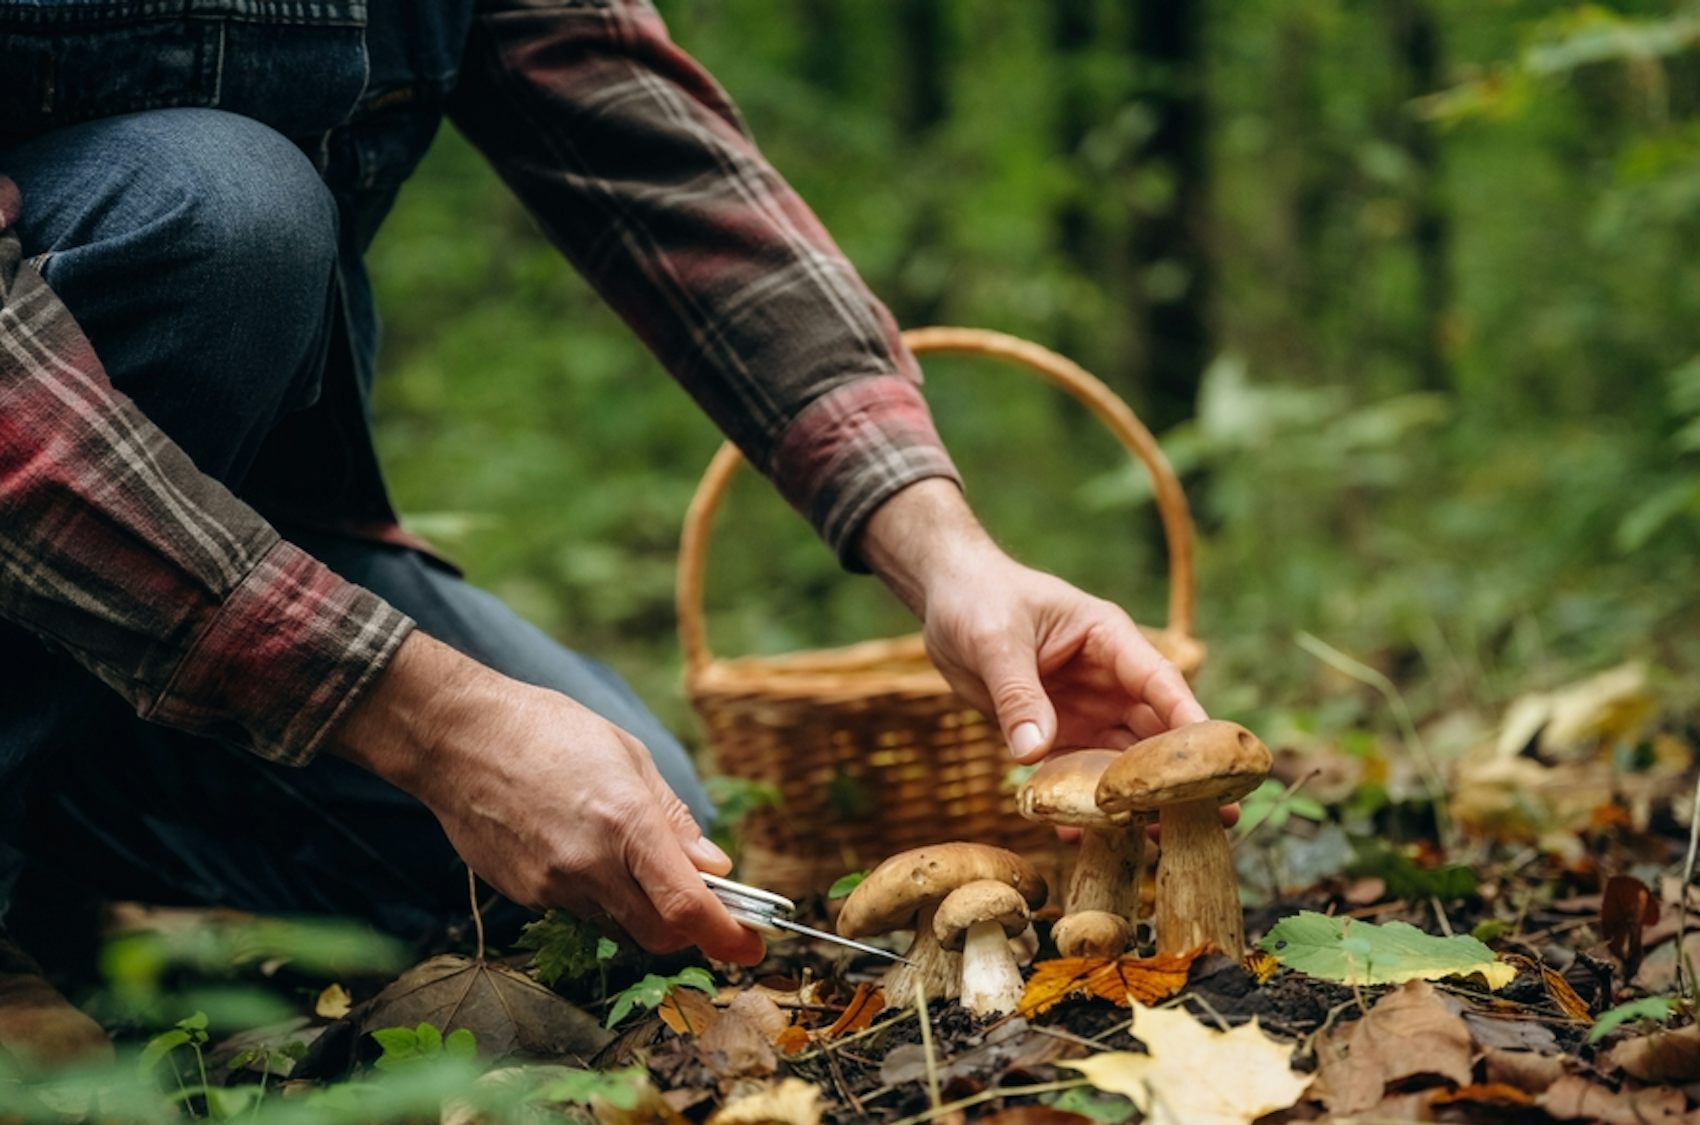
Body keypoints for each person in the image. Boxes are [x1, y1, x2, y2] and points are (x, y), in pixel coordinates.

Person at [0, 1, 1206, 1064]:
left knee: (639, 844)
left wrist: (945, 549)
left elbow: (667, 177)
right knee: (225, 213)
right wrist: (432, 723)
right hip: (65, 489)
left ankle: (55, 833)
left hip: (227, 572)